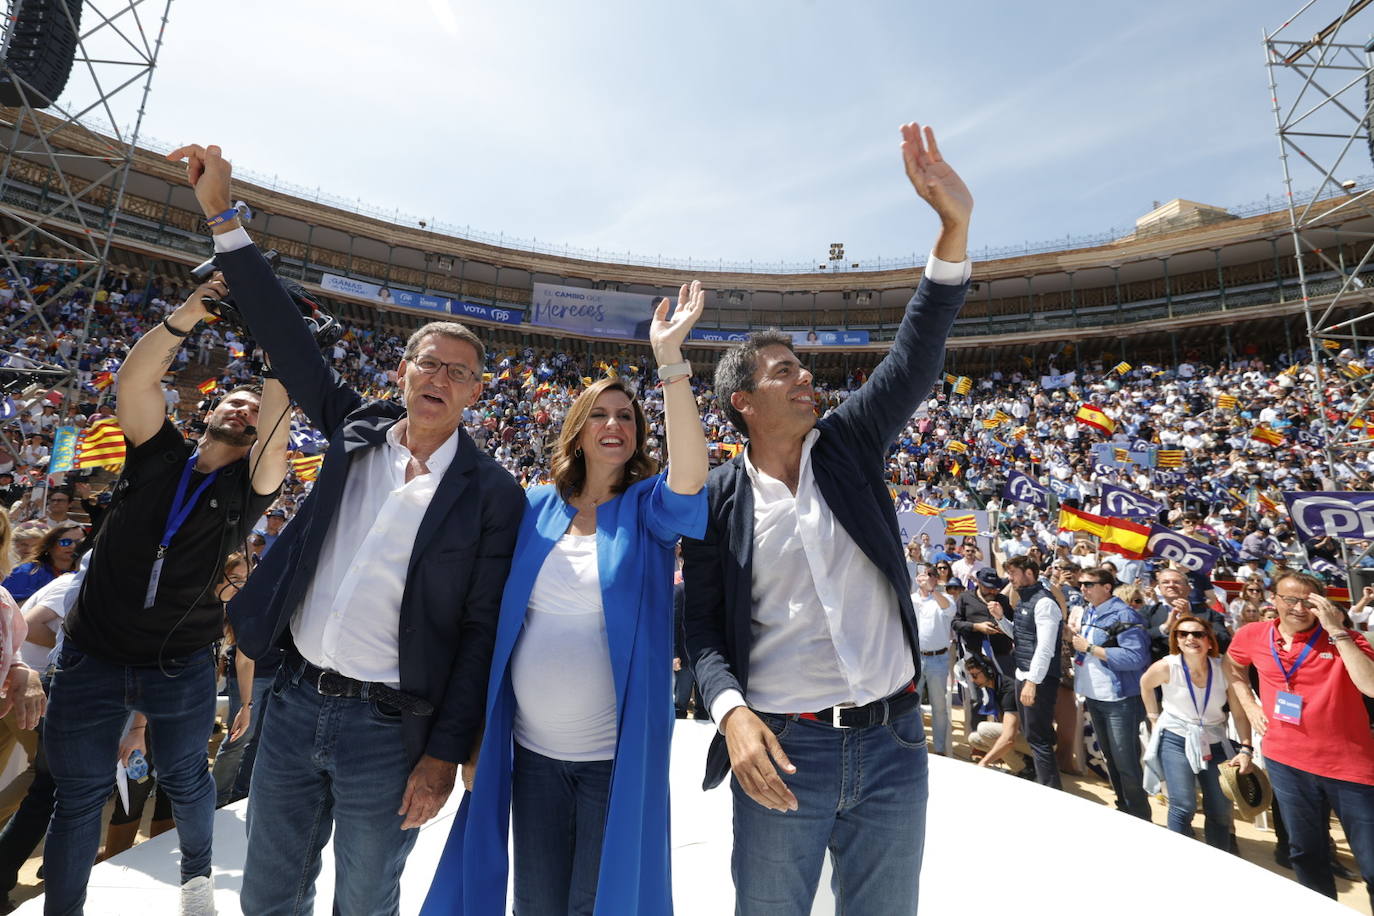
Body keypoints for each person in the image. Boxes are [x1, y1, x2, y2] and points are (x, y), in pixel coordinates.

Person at [168, 142, 525, 915]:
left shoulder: (495, 494)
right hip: (294, 705)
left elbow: (478, 631)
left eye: (459, 372)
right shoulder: (355, 427)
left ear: (477, 394)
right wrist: (224, 220)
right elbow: (288, 340)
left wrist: (441, 753)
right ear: (402, 371)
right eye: (428, 362)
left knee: (365, 903)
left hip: (390, 734)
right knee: (268, 896)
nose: (439, 378)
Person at [683, 120, 972, 915]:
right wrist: (731, 713)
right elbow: (702, 632)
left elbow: (915, 356)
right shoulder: (714, 500)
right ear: (744, 401)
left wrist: (952, 232)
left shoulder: (847, 445)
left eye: (805, 367)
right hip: (783, 746)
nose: (808, 377)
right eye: (786, 372)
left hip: (893, 742)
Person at [423, 283, 709, 915]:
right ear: (578, 431)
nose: (615, 425)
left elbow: (691, 475)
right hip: (529, 754)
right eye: (601, 415)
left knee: (594, 906)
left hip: (610, 761)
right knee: (537, 904)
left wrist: (670, 362)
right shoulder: (533, 507)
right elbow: (492, 623)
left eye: (627, 417)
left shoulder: (648, 509)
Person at [40, 269, 290, 915]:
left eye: (254, 407)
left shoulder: (250, 489)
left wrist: (273, 333)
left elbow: (278, 422)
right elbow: (136, 380)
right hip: (91, 657)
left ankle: (197, 883)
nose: (244, 408)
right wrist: (193, 308)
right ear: (207, 411)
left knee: (185, 779)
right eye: (234, 400)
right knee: (79, 797)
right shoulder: (156, 454)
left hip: (177, 668)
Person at [1224, 570, 1374, 908]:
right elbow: (1232, 668)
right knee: (1305, 854)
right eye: (1289, 599)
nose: (1298, 608)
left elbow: (1371, 686)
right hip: (1286, 763)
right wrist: (1250, 705)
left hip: (1350, 768)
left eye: (1308, 601)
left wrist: (1337, 631)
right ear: (1273, 600)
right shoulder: (1252, 635)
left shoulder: (1347, 639)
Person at [1141, 615, 1253, 848]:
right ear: (1177, 641)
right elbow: (1145, 684)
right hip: (1175, 738)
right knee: (1183, 805)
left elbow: (1239, 713)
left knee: (1221, 810)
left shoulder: (1223, 669)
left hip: (1215, 741)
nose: (1190, 638)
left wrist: (1246, 748)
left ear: (1210, 641)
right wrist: (1154, 718)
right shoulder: (1166, 666)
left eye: (1197, 634)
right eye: (1183, 634)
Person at [1067, 569, 1151, 820]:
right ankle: (1124, 808)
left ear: (1107, 587)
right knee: (1112, 760)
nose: (1083, 589)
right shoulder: (1091, 610)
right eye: (1080, 584)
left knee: (1126, 763)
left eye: (1089, 584)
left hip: (1120, 700)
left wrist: (1090, 648)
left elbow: (1135, 658)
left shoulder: (1124, 614)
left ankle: (1139, 815)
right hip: (1096, 696)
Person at [1005, 554, 1062, 788]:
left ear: (1029, 573)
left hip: (1037, 679)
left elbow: (1045, 647)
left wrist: (1032, 682)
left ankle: (1052, 791)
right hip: (1025, 674)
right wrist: (1000, 620)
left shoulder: (1045, 602)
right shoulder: (1024, 600)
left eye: (1014, 573)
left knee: (1038, 739)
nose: (1010, 578)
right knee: (1033, 737)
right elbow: (1022, 637)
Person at [963, 653, 1032, 776]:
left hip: (1037, 743)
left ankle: (1024, 770)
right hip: (1024, 738)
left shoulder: (1008, 690)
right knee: (974, 739)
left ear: (989, 671)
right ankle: (1026, 761)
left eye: (975, 675)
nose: (973, 680)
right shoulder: (995, 687)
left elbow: (1009, 739)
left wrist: (984, 762)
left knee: (984, 729)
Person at [1142, 566, 1230, 661]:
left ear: (1189, 588)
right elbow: (1139, 640)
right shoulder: (1148, 612)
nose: (1171, 585)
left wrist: (1194, 621)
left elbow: (1224, 643)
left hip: (1202, 669)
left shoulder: (1209, 614)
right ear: (1159, 588)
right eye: (1165, 582)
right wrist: (1165, 628)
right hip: (1162, 670)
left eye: (1177, 582)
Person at [912, 565, 954, 755]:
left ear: (937, 579)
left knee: (938, 707)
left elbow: (949, 609)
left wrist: (932, 591)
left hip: (938, 659)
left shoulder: (945, 599)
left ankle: (939, 749)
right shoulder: (911, 599)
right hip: (915, 659)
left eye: (931, 575)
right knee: (912, 707)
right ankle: (916, 747)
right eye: (924, 575)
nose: (927, 578)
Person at [952, 567, 1014, 677]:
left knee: (1007, 690)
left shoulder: (1003, 600)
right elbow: (956, 624)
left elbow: (1013, 623)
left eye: (995, 588)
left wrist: (1002, 627)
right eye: (988, 587)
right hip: (976, 657)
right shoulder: (965, 598)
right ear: (979, 583)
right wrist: (976, 627)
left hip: (1002, 655)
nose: (992, 591)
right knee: (980, 693)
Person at [0, 525, 82, 604]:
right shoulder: (26, 572)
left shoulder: (88, 573)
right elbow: (8, 607)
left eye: (79, 543)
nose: (73, 546)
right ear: (50, 545)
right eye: (65, 542)